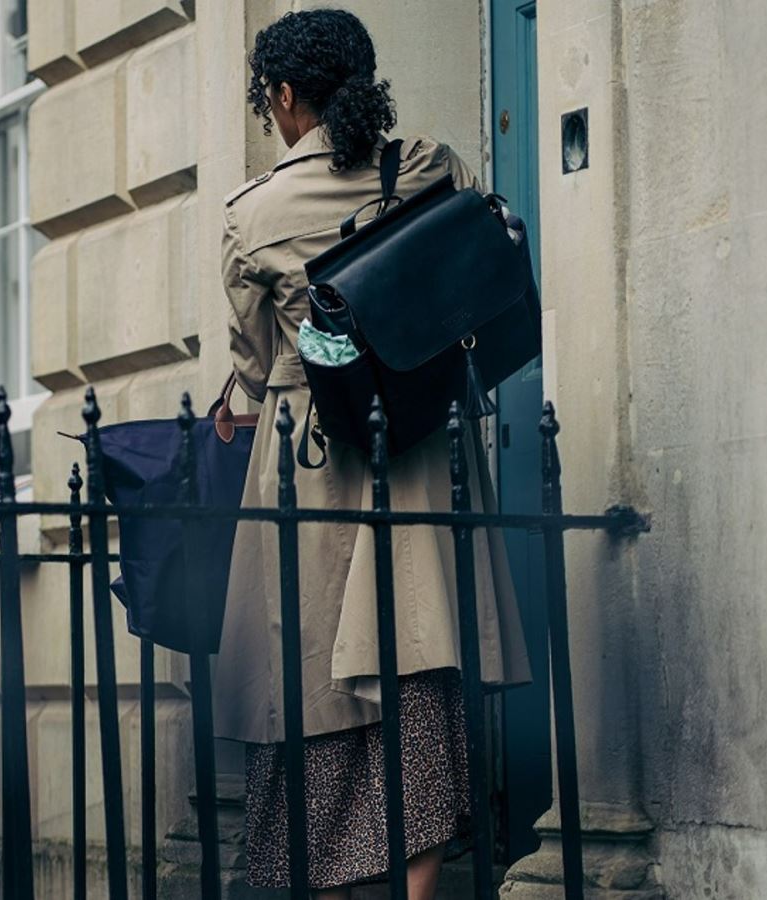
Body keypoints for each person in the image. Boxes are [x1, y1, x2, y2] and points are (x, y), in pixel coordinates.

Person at [214, 10, 532, 900]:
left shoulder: (253, 215)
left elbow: (250, 356)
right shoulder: (429, 165)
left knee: (311, 681)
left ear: (281, 95)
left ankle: (318, 878)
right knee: (419, 663)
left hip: (312, 453)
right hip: (420, 444)